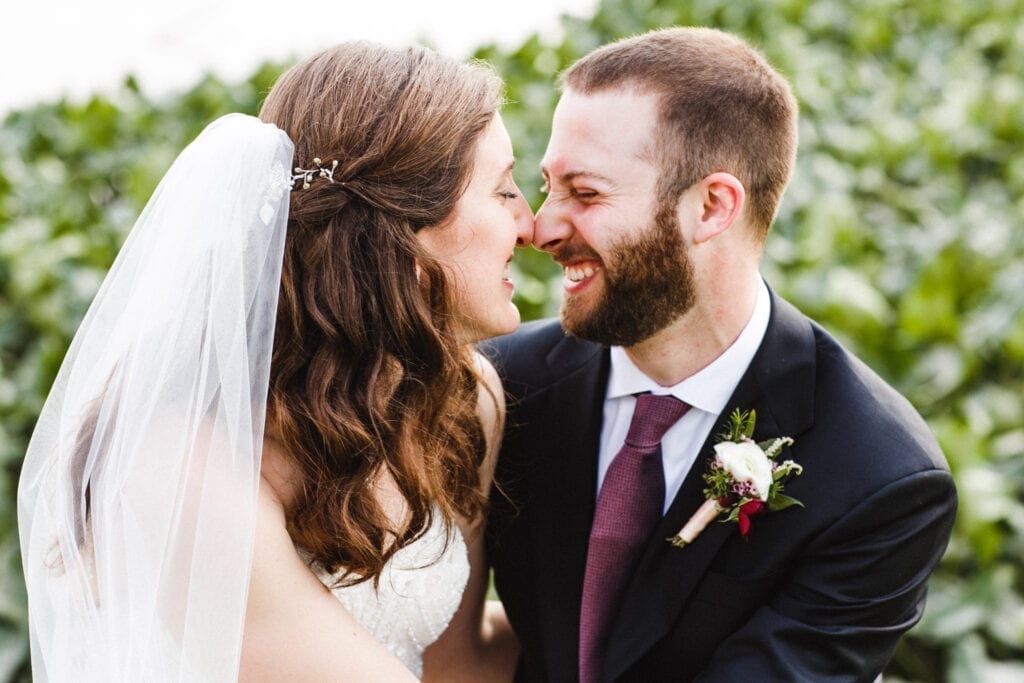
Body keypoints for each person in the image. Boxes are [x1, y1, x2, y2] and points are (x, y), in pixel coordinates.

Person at [19, 42, 532, 681]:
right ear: (406, 229)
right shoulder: (180, 465)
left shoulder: (464, 398)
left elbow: (458, 662)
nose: (531, 224)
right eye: (505, 189)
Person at [483, 27, 957, 682]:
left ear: (711, 206)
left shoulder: (879, 477)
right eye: (547, 186)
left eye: (585, 193)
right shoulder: (496, 384)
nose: (542, 226)